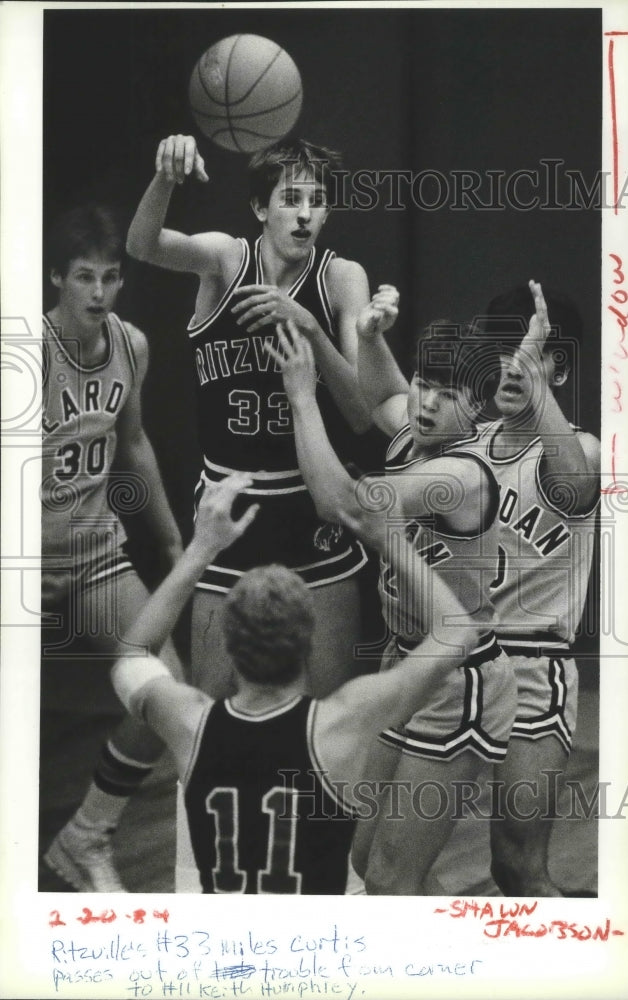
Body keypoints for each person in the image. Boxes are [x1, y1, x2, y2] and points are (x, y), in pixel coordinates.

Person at [111, 471, 475, 894]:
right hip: (310, 954)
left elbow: (131, 654)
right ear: (308, 643)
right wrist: (389, 540)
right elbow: (458, 632)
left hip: (229, 952)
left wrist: (201, 549)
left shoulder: (189, 723)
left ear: (228, 644)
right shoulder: (342, 722)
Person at [267, 295, 518, 894]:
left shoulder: (456, 476)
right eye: (425, 385)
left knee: (389, 877)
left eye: (447, 393)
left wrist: (303, 398)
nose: (426, 404)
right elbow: (383, 397)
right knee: (367, 861)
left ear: (478, 405)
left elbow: (345, 504)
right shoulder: (420, 434)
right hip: (410, 659)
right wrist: (370, 336)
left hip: (460, 678)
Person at [126, 134, 373, 700]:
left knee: (326, 714)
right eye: (291, 198)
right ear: (262, 208)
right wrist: (166, 175)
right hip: (230, 509)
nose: (305, 212)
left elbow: (360, 412)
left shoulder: (341, 279)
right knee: (214, 704)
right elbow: (143, 246)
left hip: (312, 508)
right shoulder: (225, 259)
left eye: (317, 198)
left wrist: (308, 326)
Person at [41, 203, 185, 892]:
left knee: (170, 693)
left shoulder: (132, 345)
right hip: (23, 562)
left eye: (110, 277)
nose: (98, 293)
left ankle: (86, 833)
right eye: (82, 278)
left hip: (96, 553)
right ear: (55, 281)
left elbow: (133, 444)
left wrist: (168, 534)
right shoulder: (26, 353)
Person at [473, 280, 600, 896]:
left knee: (518, 866)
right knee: (394, 862)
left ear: (559, 366)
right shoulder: (464, 444)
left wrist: (534, 371)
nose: (514, 361)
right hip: (460, 662)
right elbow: (384, 403)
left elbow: (574, 487)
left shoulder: (583, 448)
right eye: (504, 347)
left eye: (532, 349)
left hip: (533, 663)